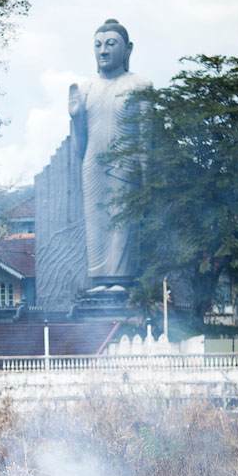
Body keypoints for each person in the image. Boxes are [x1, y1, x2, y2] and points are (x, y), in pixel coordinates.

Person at [69, 18, 152, 287]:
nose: (103, 50)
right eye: (98, 45)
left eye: (111, 44)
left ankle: (121, 279)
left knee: (121, 222)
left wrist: (147, 177)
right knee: (96, 223)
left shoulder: (139, 86)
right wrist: (77, 117)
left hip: (126, 163)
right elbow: (79, 147)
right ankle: (99, 280)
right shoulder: (86, 88)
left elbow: (145, 136)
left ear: (127, 49)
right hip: (93, 163)